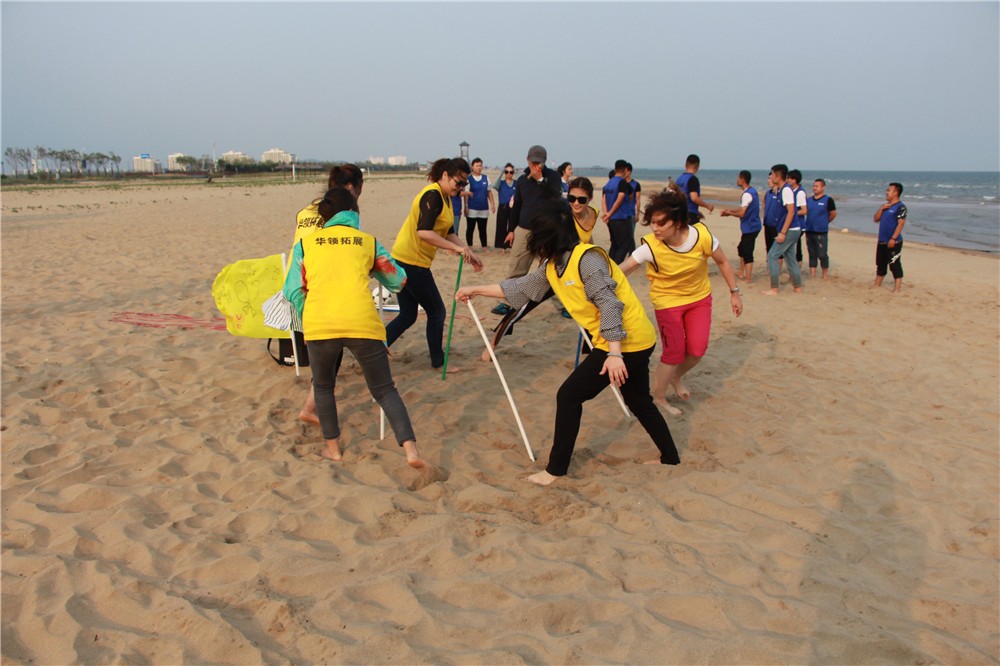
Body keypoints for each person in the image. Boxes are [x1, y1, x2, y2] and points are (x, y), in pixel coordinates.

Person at [456, 200, 681, 486]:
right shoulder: (554, 264)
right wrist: (475, 290)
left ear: (546, 238)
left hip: (626, 341)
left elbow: (610, 304)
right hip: (630, 340)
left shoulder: (586, 259)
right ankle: (670, 458)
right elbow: (520, 288)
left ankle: (555, 470)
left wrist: (614, 355)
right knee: (638, 401)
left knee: (569, 396)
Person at [283, 188, 423, 467]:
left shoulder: (306, 244)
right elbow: (398, 280)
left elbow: (292, 291)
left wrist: (309, 314)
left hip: (321, 323)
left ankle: (333, 449)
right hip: (362, 323)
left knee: (323, 387)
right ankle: (411, 452)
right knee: (385, 390)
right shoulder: (367, 242)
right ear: (353, 213)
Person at [620, 185, 743, 415]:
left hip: (699, 299)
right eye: (652, 222)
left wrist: (734, 292)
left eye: (660, 223)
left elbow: (723, 262)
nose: (654, 228)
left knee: (696, 350)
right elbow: (623, 269)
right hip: (667, 303)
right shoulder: (651, 247)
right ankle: (658, 397)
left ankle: (676, 376)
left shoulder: (702, 237)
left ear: (677, 222)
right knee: (674, 352)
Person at [385, 157, 484, 368]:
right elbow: (424, 232)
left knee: (408, 315)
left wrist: (466, 250)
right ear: (445, 176)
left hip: (410, 260)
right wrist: (454, 248)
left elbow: (448, 232)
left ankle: (375, 350)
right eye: (459, 182)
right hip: (410, 262)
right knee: (437, 311)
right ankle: (439, 362)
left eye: (464, 184)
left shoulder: (446, 197)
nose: (461, 187)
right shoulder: (433, 195)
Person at [291, 164, 365, 426]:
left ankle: (312, 405)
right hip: (323, 288)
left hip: (300, 286)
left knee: (325, 352)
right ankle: (310, 407)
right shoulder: (341, 214)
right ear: (349, 188)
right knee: (330, 354)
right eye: (359, 190)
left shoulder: (306, 211)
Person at [491, 145, 563, 316]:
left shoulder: (553, 177)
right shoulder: (522, 180)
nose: (536, 166)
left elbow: (555, 198)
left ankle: (563, 306)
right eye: (534, 162)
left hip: (546, 230)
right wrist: (511, 230)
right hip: (523, 229)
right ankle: (508, 302)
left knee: (552, 269)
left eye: (540, 163)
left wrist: (540, 180)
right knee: (516, 266)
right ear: (528, 161)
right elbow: (517, 206)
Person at [762, 164, 804, 295]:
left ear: (778, 176)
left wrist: (783, 232)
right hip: (790, 229)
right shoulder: (780, 190)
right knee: (790, 257)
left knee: (772, 255)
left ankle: (774, 288)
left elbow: (791, 212)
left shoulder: (786, 190)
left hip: (791, 229)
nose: (771, 177)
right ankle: (797, 287)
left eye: (773, 174)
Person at [720, 170, 762, 283]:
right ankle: (741, 271)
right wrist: (730, 210)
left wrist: (729, 214)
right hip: (750, 226)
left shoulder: (748, 194)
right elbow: (743, 209)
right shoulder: (751, 192)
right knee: (741, 248)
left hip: (751, 227)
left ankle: (748, 278)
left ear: (743, 179)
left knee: (748, 252)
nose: (737, 180)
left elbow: (742, 213)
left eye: (738, 178)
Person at [873, 182, 907, 292]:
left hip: (893, 241)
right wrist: (881, 209)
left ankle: (897, 288)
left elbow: (901, 223)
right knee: (880, 264)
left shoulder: (900, 207)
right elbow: (876, 219)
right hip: (882, 240)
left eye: (889, 190)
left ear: (896, 192)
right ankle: (877, 284)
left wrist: (893, 238)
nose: (886, 192)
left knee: (894, 265)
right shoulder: (885, 206)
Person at [601, 159, 632, 264]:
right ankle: (615, 267)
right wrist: (609, 214)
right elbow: (620, 199)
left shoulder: (608, 183)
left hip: (611, 219)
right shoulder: (622, 182)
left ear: (615, 169)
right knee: (624, 244)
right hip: (619, 218)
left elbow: (604, 200)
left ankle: (609, 265)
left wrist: (606, 214)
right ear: (625, 170)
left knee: (615, 243)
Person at [805, 178, 837, 279]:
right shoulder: (809, 200)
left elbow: (833, 214)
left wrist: (824, 222)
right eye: (814, 186)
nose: (815, 188)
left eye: (817, 186)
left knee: (822, 254)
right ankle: (813, 274)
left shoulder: (828, 200)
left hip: (821, 231)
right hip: (809, 230)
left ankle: (824, 274)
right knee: (812, 253)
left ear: (823, 187)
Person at [465, 157, 495, 251]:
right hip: (472, 208)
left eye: (480, 165)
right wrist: (466, 206)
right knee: (470, 228)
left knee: (482, 229)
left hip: (484, 208)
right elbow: (466, 194)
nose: (479, 167)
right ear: (472, 167)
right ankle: (470, 246)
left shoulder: (486, 178)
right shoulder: (468, 179)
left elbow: (489, 192)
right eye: (477, 165)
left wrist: (492, 204)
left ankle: (484, 247)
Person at [675, 154, 714, 223]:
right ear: (698, 167)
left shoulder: (679, 179)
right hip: (689, 215)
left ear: (685, 165)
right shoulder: (693, 179)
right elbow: (694, 198)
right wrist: (707, 205)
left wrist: (697, 211)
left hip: (678, 213)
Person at [492, 163, 517, 254]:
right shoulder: (501, 183)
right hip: (503, 207)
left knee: (512, 227)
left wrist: (516, 172)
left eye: (511, 172)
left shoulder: (516, 183)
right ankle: (502, 246)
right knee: (501, 226)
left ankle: (511, 245)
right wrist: (502, 171)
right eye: (507, 172)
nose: (508, 174)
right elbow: (494, 184)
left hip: (513, 208)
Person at [788, 169, 809, 265]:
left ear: (794, 180)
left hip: (799, 225)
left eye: (789, 178)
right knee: (793, 247)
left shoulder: (800, 192)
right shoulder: (791, 191)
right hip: (792, 224)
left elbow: (804, 210)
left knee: (795, 247)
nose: (787, 180)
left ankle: (797, 268)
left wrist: (792, 213)